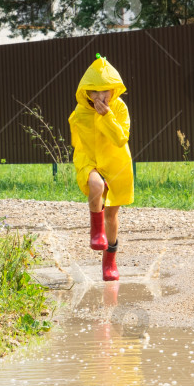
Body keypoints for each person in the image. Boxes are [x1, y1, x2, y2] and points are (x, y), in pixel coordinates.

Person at [68, 53, 134, 281]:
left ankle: (110, 261)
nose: (99, 96)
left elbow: (120, 139)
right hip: (89, 159)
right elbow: (76, 140)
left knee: (112, 216)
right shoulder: (79, 112)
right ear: (86, 91)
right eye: (94, 91)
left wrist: (107, 116)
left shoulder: (120, 108)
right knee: (95, 185)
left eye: (104, 90)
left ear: (113, 89)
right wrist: (84, 164)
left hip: (116, 162)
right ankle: (95, 231)